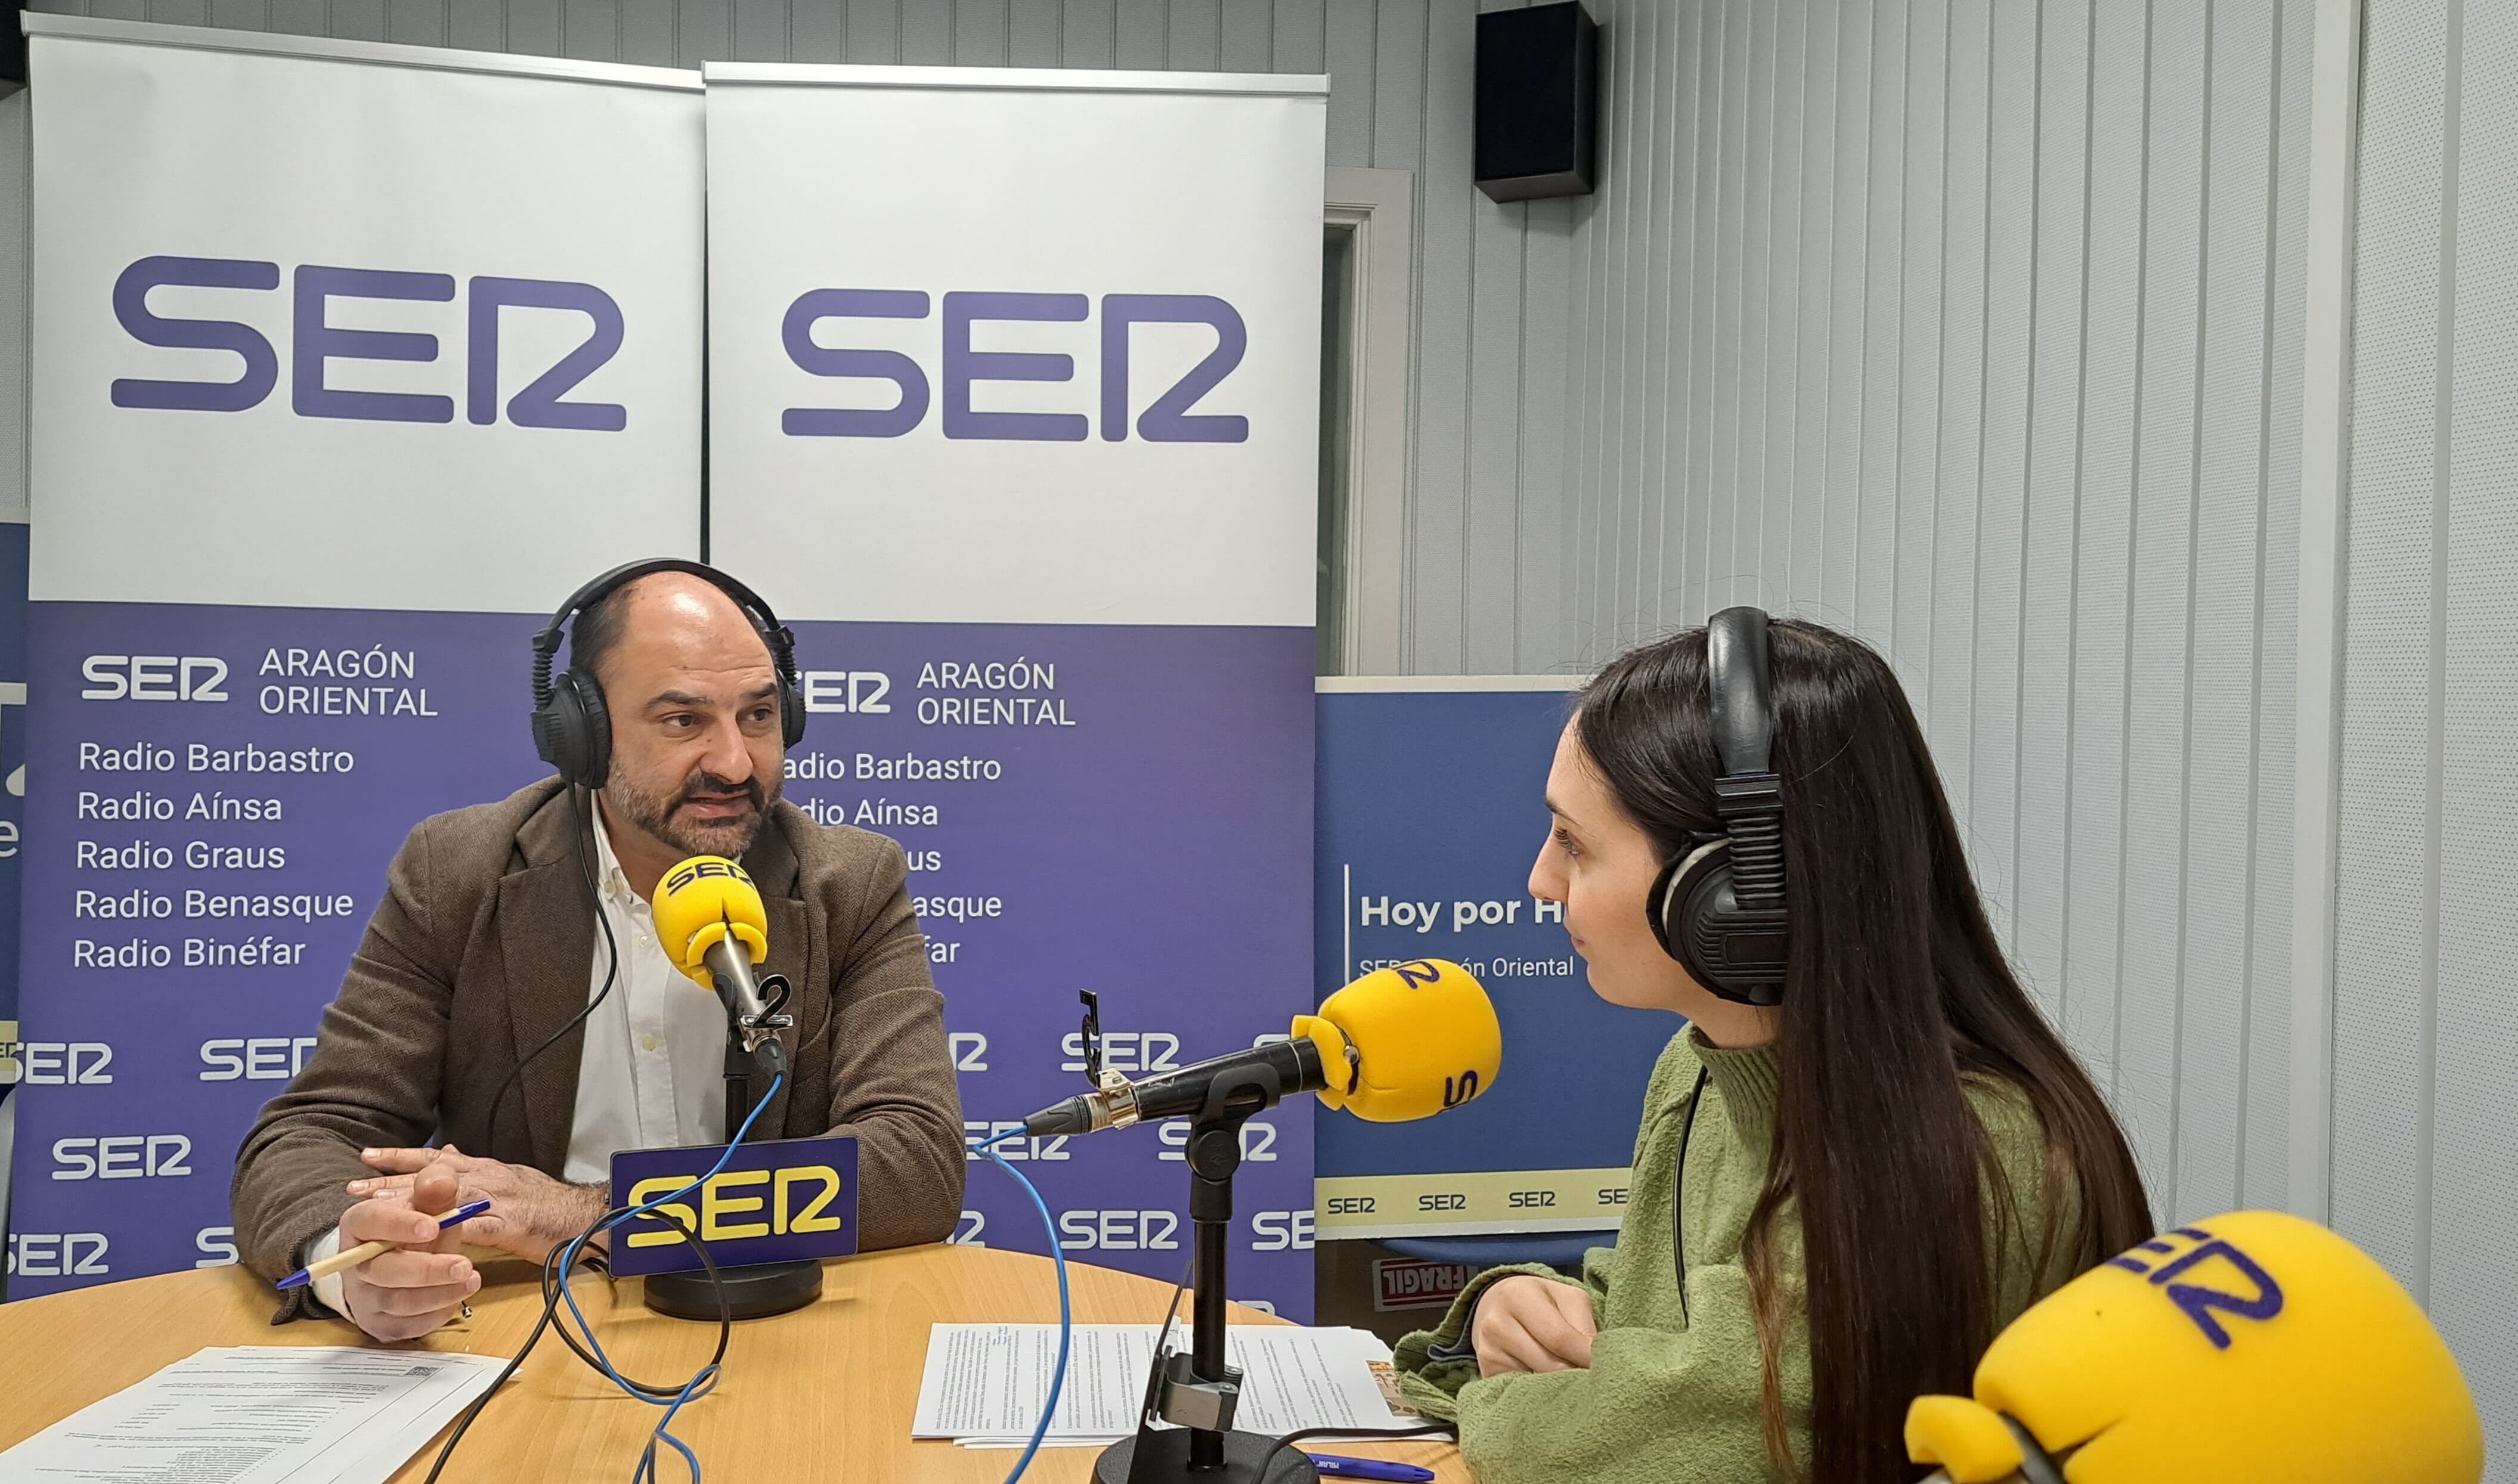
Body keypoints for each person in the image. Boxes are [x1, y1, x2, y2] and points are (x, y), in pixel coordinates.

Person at [1392, 611, 2154, 1484]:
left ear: (1730, 892)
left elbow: (1692, 1444)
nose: (1540, 880)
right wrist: (1506, 1307)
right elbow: (1653, 1332)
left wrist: (1497, 1401)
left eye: (1574, 841)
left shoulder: (1970, 1143)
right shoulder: (1698, 1068)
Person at [231, 560, 964, 1341]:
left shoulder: (847, 882)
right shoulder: (458, 872)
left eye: (758, 715)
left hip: (784, 1332)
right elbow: (313, 1133)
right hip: (533, 1328)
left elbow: (915, 1161)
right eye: (683, 720)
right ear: (582, 733)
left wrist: (585, 1215)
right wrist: (353, 1262)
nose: (735, 762)